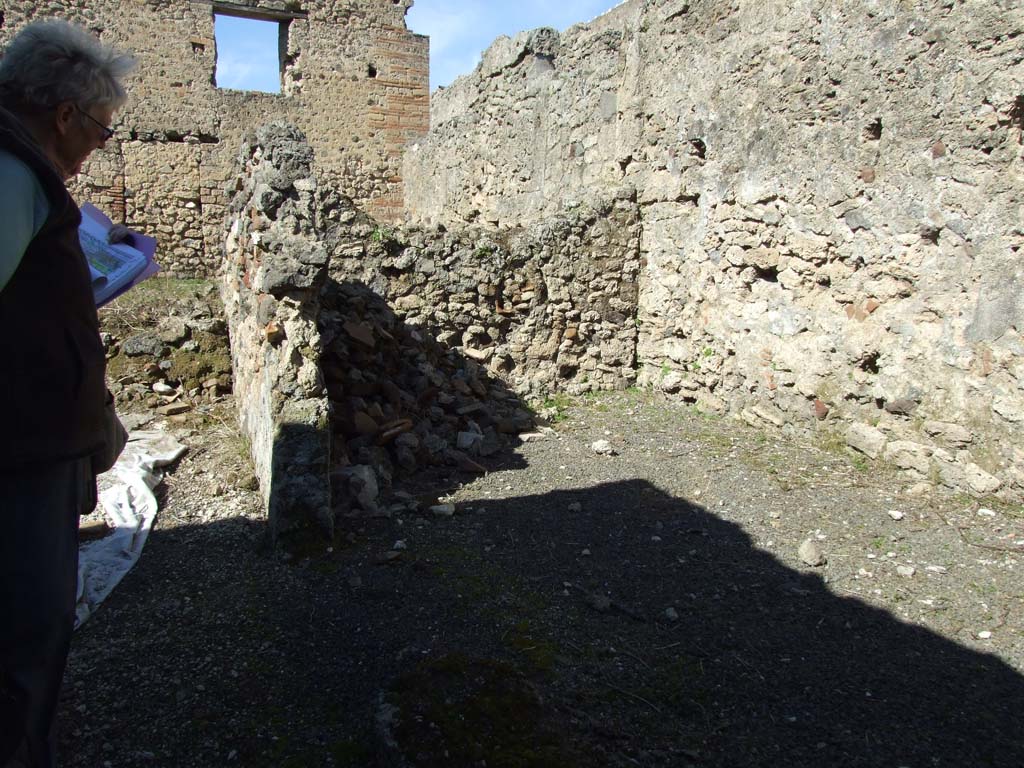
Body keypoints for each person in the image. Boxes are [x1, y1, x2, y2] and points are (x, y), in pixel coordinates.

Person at [0, 20, 135, 768]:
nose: (97, 148)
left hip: (28, 446)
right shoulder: (15, 173)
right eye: (101, 131)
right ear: (64, 116)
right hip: (19, 458)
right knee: (25, 636)